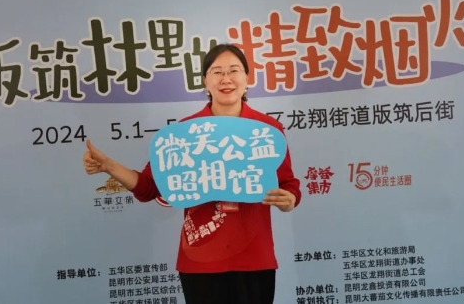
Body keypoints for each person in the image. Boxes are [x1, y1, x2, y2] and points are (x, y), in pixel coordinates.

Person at [83, 43, 302, 304]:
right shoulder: (184, 132)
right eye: (217, 72)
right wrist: (109, 166)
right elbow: (149, 187)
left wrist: (289, 199)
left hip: (254, 258)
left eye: (234, 70)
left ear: (246, 78)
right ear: (205, 81)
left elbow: (289, 184)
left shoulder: (268, 130)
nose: (226, 79)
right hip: (200, 262)